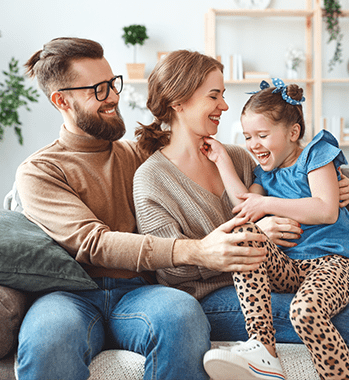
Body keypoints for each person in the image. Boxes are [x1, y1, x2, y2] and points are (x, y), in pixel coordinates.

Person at [15, 37, 269, 380]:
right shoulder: (41, 170)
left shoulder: (139, 155)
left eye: (113, 83)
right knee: (48, 339)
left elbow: (190, 140)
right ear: (62, 100)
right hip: (70, 295)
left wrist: (316, 177)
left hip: (140, 293)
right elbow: (94, 244)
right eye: (99, 90)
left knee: (182, 315)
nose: (115, 97)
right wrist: (197, 251)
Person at [133, 50, 349, 379]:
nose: (225, 106)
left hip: (291, 267)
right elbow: (171, 268)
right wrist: (255, 229)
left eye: (224, 95)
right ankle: (265, 350)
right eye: (214, 96)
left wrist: (338, 186)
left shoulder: (238, 156)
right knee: (333, 316)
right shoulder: (151, 178)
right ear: (178, 101)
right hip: (218, 291)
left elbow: (288, 186)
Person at [201, 78, 349, 379]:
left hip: (332, 263)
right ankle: (263, 349)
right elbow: (244, 204)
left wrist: (268, 205)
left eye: (262, 135)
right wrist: (221, 158)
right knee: (243, 237)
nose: (253, 145)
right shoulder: (266, 175)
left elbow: (326, 210)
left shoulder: (316, 155)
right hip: (289, 266)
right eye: (248, 136)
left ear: (294, 132)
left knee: (304, 312)